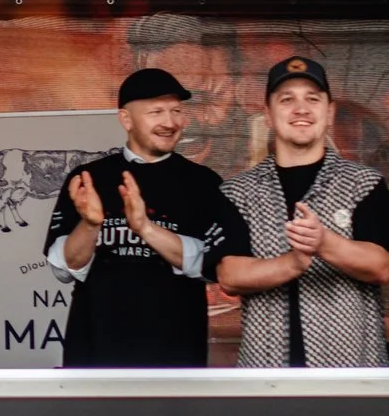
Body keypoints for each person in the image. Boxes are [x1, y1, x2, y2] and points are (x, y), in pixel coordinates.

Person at [45, 68, 249, 367]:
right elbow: (66, 268)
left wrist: (145, 228)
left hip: (176, 354)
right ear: (126, 119)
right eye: (156, 112)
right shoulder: (89, 178)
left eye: (176, 111)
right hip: (95, 353)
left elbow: (215, 267)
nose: (170, 122)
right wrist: (90, 225)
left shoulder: (203, 183)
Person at [217, 56, 389, 367]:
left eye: (312, 99)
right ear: (268, 115)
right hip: (267, 377)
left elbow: (382, 266)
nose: (301, 109)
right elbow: (230, 275)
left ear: (329, 113)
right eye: (287, 100)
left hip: (352, 374)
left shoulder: (365, 184)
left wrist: (324, 243)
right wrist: (292, 262)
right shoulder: (237, 192)